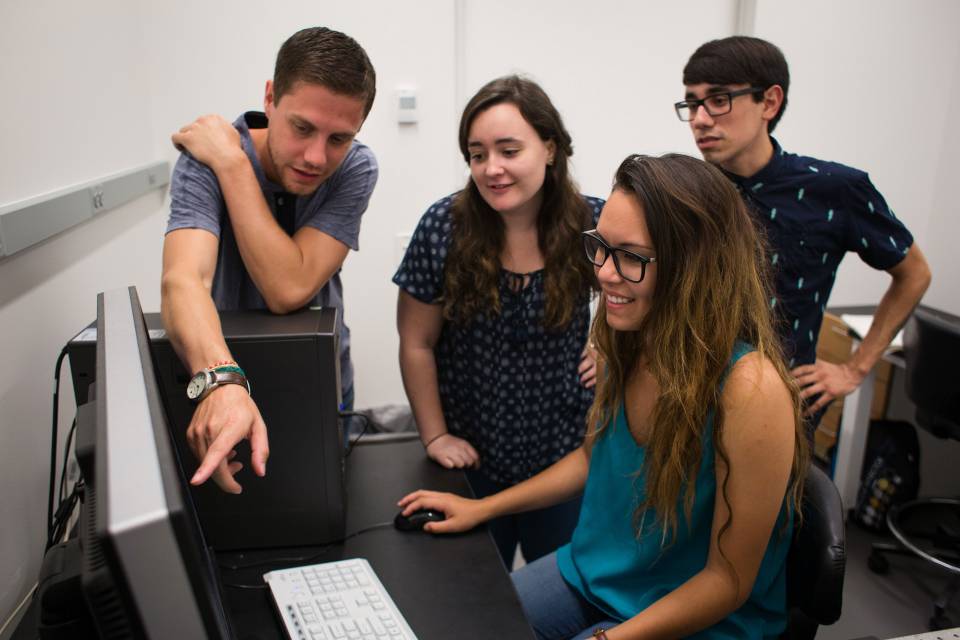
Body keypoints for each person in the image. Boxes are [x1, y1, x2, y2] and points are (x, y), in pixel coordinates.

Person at [399, 154, 810, 639]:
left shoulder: (750, 389)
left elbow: (728, 581)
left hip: (703, 617)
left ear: (695, 265)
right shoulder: (629, 339)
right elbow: (594, 458)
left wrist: (608, 639)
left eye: (631, 257)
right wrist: (482, 508)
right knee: (468, 623)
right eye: (601, 247)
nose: (606, 275)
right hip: (596, 575)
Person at [393, 75, 602, 565]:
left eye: (509, 150)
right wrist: (435, 435)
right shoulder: (443, 226)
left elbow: (647, 297)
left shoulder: (594, 224)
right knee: (471, 602)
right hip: (469, 457)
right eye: (478, 154)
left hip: (564, 458)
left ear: (550, 148)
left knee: (560, 600)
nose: (492, 169)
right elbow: (415, 341)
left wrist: (610, 342)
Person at [161, 27, 378, 493]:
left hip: (318, 379)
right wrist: (222, 383)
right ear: (270, 98)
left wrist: (235, 167)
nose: (316, 157)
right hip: (220, 374)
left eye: (339, 138)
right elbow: (184, 281)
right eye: (302, 128)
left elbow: (290, 288)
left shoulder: (356, 167)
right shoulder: (204, 157)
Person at [677, 36, 931, 425]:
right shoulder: (688, 189)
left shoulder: (834, 190)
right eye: (692, 103)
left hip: (778, 411)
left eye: (718, 100)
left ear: (770, 102)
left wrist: (855, 368)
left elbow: (914, 273)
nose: (700, 118)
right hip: (687, 400)